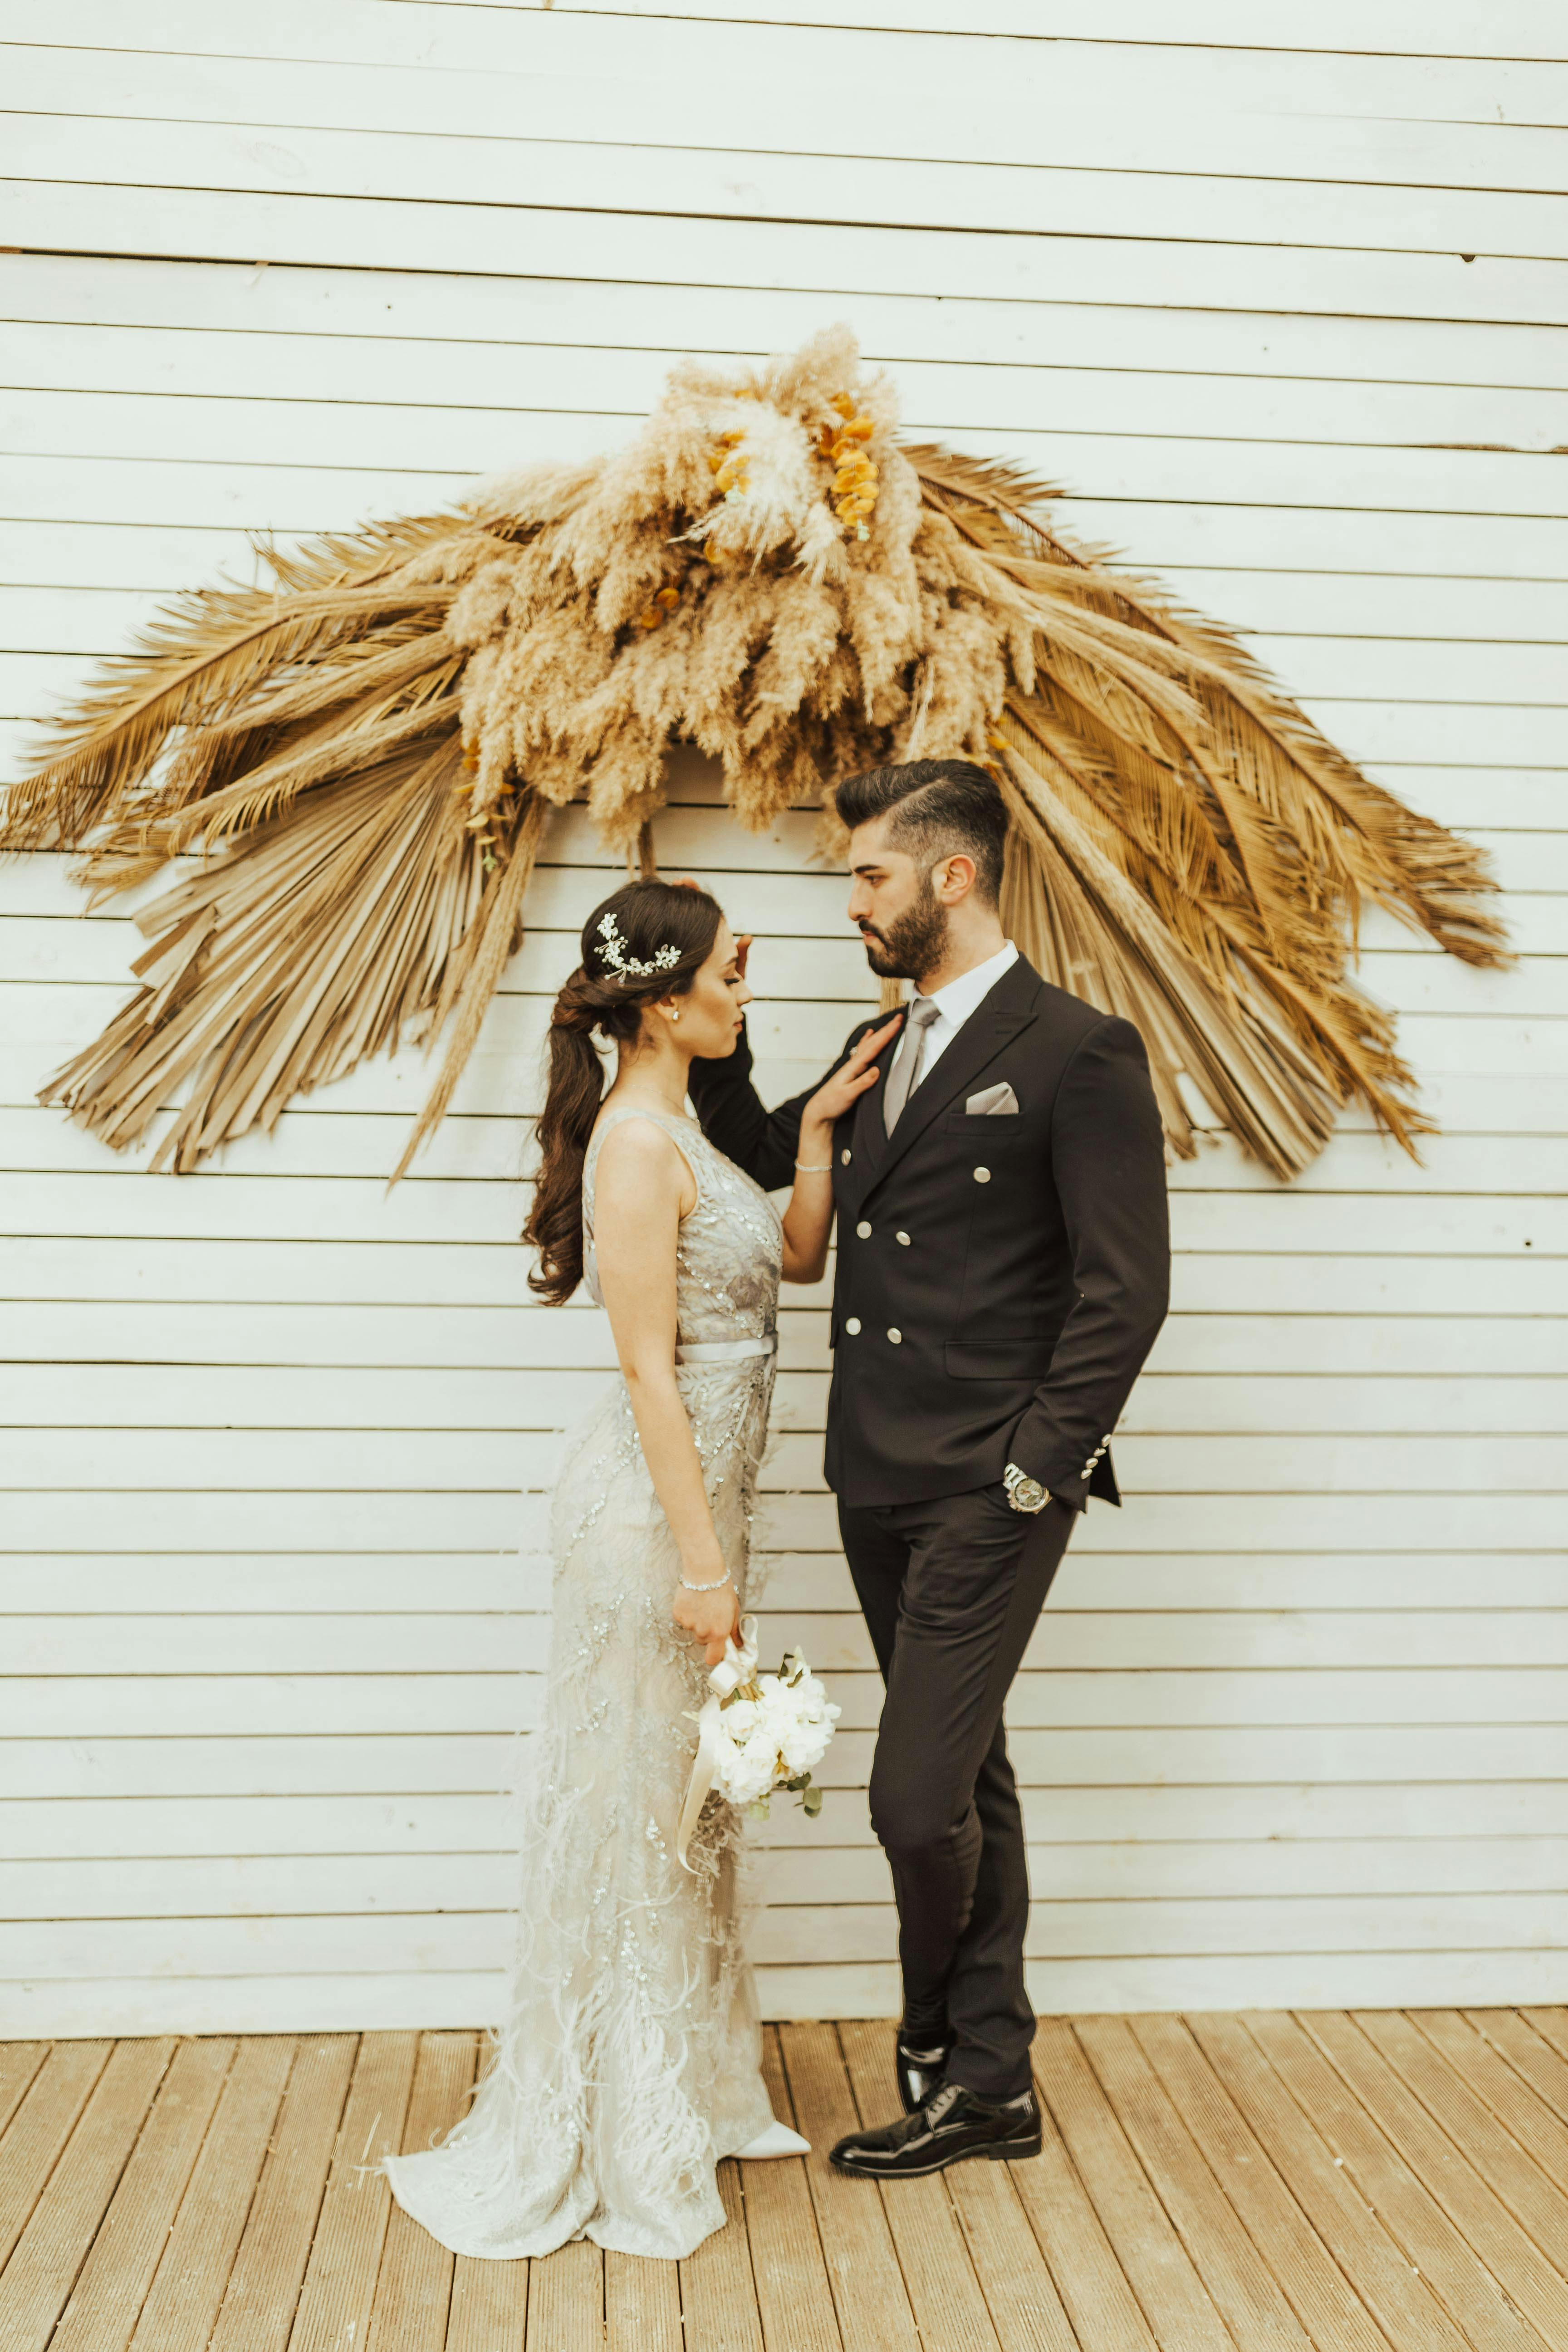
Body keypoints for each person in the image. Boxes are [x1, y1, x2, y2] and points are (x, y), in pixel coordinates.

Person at [385, 877, 894, 2260]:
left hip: (698, 1514)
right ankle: (612, 2125)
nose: (749, 990)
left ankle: (682, 2091)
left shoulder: (686, 1125)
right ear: (666, 1001)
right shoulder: (630, 1143)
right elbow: (645, 1368)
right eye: (733, 972)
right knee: (635, 1822)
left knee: (690, 1814)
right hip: (652, 1524)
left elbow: (792, 1258)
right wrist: (702, 1563)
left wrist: (828, 1130)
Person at [689, 758, 1170, 2179]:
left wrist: (1037, 1469)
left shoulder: (1079, 1051)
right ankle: (996, 2082)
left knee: (911, 1800)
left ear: (951, 878)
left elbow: (1124, 1292)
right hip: (876, 1472)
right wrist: (730, 1031)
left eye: (870, 876)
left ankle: (937, 2041)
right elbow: (766, 1157)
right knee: (967, 1776)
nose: (854, 901)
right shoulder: (879, 1038)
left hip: (988, 1486)